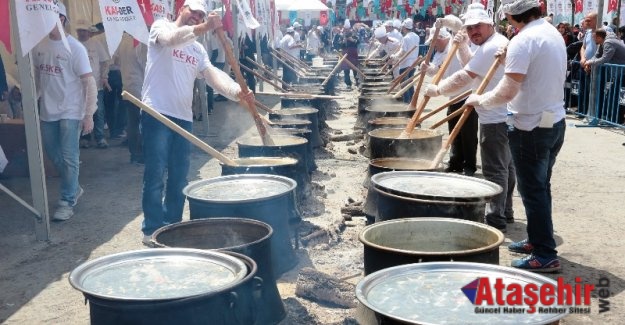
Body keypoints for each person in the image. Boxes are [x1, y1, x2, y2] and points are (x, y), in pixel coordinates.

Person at [140, 0, 254, 243]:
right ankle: (151, 228)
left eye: (201, 15)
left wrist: (236, 92)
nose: (197, 17)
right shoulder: (161, 27)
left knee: (180, 176)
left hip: (183, 118)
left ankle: (171, 227)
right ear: (182, 9)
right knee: (155, 173)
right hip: (156, 113)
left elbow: (213, 75)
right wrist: (204, 28)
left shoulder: (197, 50)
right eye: (194, 11)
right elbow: (172, 40)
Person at [465, 0, 567, 272]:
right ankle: (537, 239)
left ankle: (545, 254)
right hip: (552, 121)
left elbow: (507, 92)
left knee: (533, 191)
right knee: (541, 187)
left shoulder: (525, 40)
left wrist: (480, 99)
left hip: (530, 126)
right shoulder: (550, 32)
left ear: (510, 16)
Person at [426, 6, 516, 234]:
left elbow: (465, 76)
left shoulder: (492, 46)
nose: (474, 30)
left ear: (490, 25)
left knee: (495, 170)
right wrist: (464, 45)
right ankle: (506, 211)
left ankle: (496, 218)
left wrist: (437, 90)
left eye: (478, 26)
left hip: (496, 116)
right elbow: (471, 64)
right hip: (502, 113)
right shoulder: (490, 44)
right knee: (506, 166)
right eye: (470, 27)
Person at [33, 2, 97, 221]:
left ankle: (67, 200)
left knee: (70, 156)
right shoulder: (39, 46)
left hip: (71, 110)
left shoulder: (75, 48)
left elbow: (89, 83)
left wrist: (88, 114)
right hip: (47, 110)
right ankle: (74, 186)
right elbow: (37, 75)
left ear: (61, 19)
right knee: (52, 153)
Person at [423, 25, 479, 178]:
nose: (433, 45)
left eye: (435, 42)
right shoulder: (440, 52)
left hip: (466, 96)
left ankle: (469, 166)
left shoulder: (455, 47)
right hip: (452, 97)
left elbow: (465, 70)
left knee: (468, 134)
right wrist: (428, 68)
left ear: (442, 38)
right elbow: (437, 69)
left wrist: (439, 89)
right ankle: (455, 162)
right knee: (454, 132)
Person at [75, 20, 111, 149]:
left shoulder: (96, 44)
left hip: (96, 85)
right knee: (81, 112)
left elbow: (105, 61)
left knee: (99, 111)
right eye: (79, 30)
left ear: (89, 32)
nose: (82, 33)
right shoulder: (74, 45)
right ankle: (84, 137)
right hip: (78, 87)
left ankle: (100, 137)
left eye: (84, 30)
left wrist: (104, 76)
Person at [583, 28, 625, 124]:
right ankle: (610, 118)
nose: (594, 41)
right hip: (618, 72)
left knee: (615, 97)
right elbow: (597, 55)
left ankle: (613, 119)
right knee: (612, 95)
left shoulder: (608, 42)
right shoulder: (603, 42)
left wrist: (590, 62)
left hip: (622, 72)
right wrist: (589, 63)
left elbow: (605, 59)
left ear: (599, 37)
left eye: (594, 39)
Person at [118, 32, 147, 165]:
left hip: (127, 85)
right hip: (140, 87)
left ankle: (134, 154)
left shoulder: (122, 40)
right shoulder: (139, 40)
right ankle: (139, 154)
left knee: (132, 122)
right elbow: (146, 65)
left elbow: (117, 61)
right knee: (141, 122)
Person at [392, 18, 420, 103]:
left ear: (404, 28)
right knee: (410, 83)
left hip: (405, 64)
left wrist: (395, 56)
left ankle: (407, 102)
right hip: (413, 63)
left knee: (404, 84)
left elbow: (403, 51)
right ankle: (412, 101)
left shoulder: (406, 38)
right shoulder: (416, 36)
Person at [578, 12, 597, 116]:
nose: (586, 22)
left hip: (596, 67)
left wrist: (590, 62)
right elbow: (583, 47)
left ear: (596, 20)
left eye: (589, 20)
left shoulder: (604, 31)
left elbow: (602, 50)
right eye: (586, 20)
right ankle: (583, 111)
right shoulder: (588, 33)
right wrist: (583, 58)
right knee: (584, 89)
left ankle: (593, 113)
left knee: (594, 91)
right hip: (585, 65)